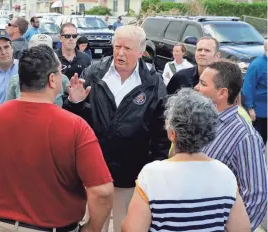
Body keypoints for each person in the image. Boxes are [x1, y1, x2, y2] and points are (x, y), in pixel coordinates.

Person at [0, 45, 114, 232]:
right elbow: (102, 192)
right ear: (52, 79)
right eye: (60, 72)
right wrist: (91, 228)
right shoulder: (75, 127)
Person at [63, 25, 169, 232]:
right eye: (117, 46)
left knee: (127, 227)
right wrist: (74, 103)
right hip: (93, 172)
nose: (120, 53)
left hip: (132, 176)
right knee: (91, 226)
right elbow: (76, 124)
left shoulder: (153, 83)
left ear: (140, 51)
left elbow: (161, 134)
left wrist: (154, 170)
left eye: (127, 48)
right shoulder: (93, 73)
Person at [122, 88, 251, 232]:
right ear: (209, 133)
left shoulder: (151, 175)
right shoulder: (225, 175)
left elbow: (131, 229)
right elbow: (242, 229)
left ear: (172, 134)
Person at [194, 60, 267, 230]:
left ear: (222, 93)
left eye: (203, 84)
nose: (196, 87)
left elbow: (257, 196)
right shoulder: (202, 120)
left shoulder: (245, 137)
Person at [6, 34, 69, 107]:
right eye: (36, 52)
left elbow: (69, 106)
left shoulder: (61, 79)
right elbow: (10, 107)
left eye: (46, 52)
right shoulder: (16, 81)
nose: (41, 56)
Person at [242, 40, 267, 143]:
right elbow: (248, 87)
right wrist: (250, 108)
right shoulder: (257, 65)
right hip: (259, 111)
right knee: (259, 141)